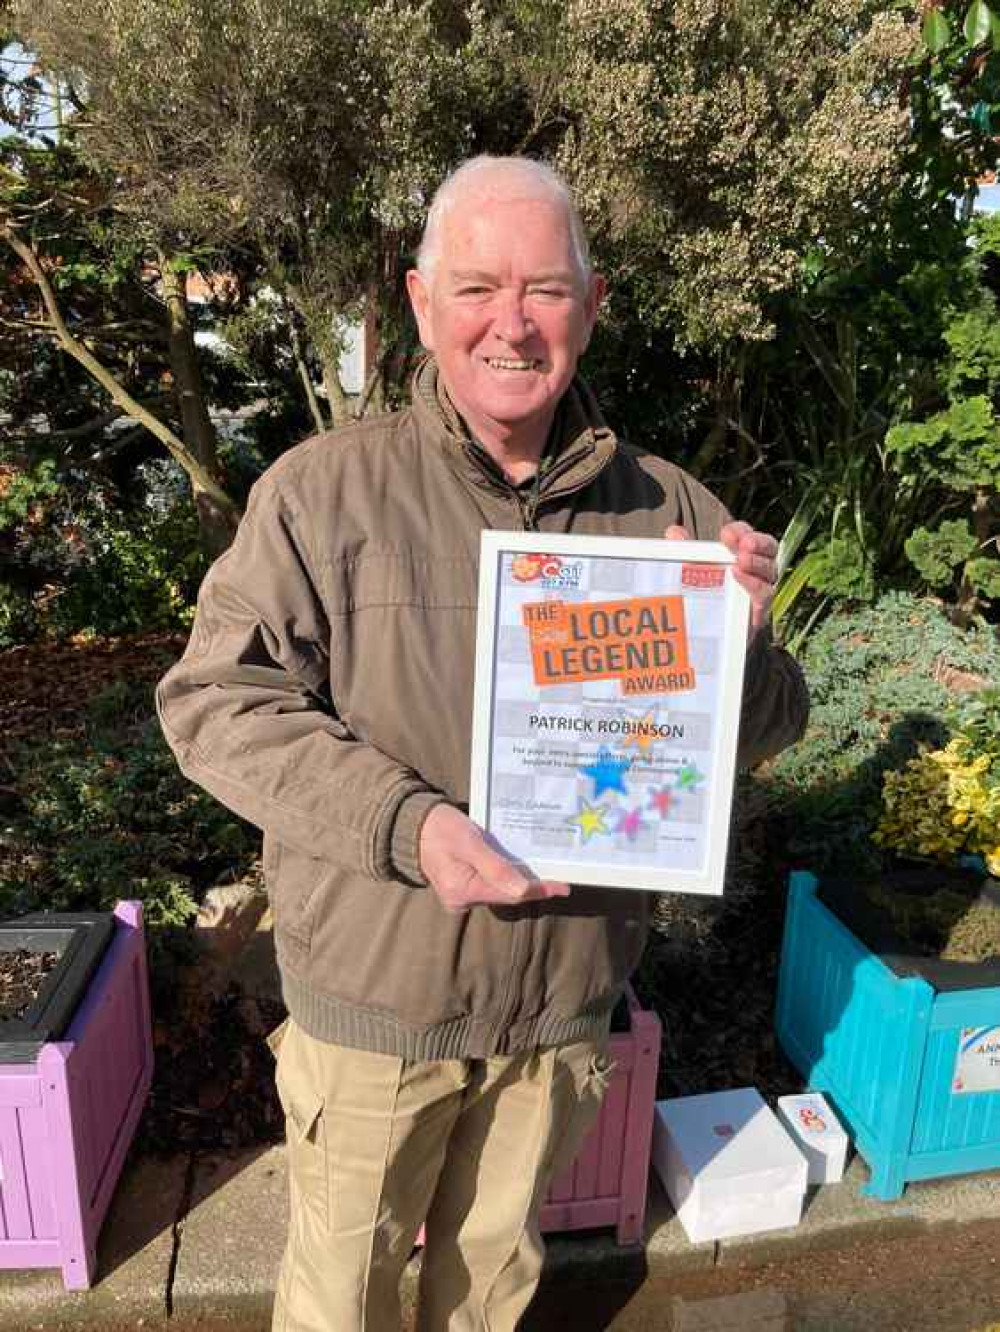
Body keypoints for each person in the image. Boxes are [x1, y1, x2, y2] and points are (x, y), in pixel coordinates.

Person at [156, 155, 808, 1332]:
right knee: (339, 1303)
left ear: (591, 308)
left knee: (491, 1295)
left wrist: (742, 642)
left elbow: (760, 737)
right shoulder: (321, 497)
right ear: (420, 302)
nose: (511, 323)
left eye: (545, 290)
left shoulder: (670, 514)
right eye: (476, 288)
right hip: (376, 1008)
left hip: (556, 1015)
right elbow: (215, 701)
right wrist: (411, 826)